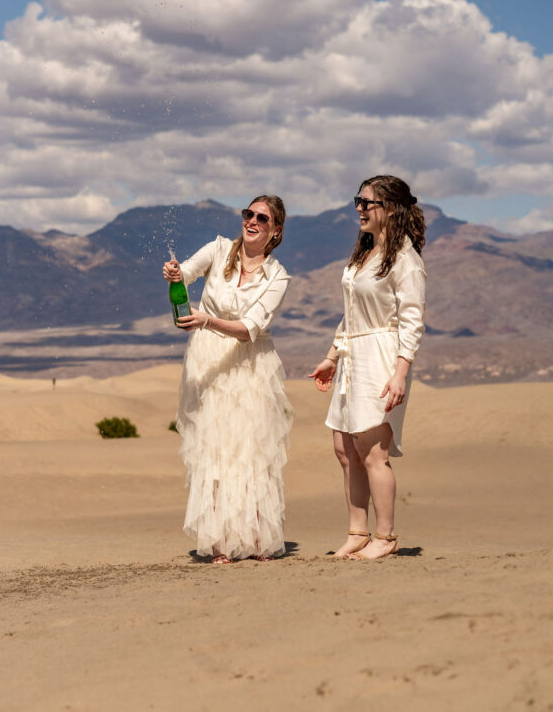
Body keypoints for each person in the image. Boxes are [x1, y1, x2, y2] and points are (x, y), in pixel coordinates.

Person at [163, 196, 293, 563]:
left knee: (251, 449)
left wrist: (207, 320)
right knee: (215, 449)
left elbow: (251, 328)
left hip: (252, 364)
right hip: (208, 360)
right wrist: (175, 273)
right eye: (248, 214)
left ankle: (258, 538)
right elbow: (187, 272)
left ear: (276, 230)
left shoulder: (278, 276)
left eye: (262, 218)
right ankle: (220, 541)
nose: (252, 221)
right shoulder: (218, 249)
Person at [309, 175, 426, 560]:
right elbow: (351, 315)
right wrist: (332, 356)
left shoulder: (405, 259)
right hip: (352, 357)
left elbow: (412, 321)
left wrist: (400, 373)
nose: (359, 208)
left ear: (390, 209)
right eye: (357, 201)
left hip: (381, 357)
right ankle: (358, 533)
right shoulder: (365, 253)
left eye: (367, 202)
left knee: (374, 452)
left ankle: (386, 536)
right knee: (345, 448)